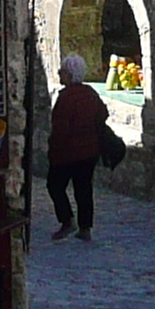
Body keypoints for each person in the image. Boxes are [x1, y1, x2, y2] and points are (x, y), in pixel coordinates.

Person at [47, 54, 109, 241]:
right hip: (89, 151)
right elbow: (103, 114)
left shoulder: (66, 98)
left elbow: (60, 129)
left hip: (68, 152)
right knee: (83, 188)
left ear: (70, 74)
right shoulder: (90, 93)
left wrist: (53, 151)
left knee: (55, 186)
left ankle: (67, 221)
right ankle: (85, 227)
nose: (59, 73)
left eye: (63, 71)